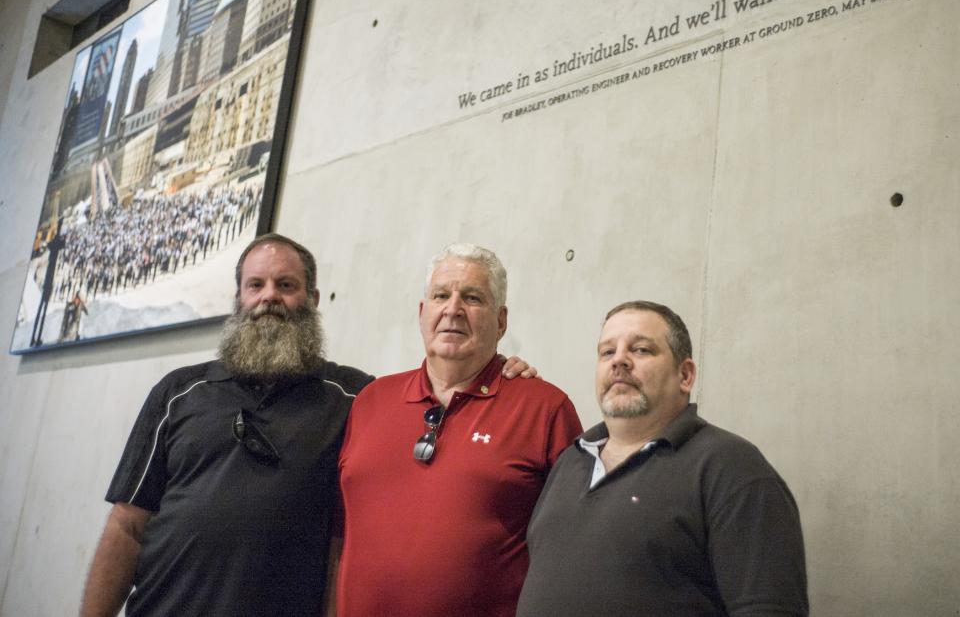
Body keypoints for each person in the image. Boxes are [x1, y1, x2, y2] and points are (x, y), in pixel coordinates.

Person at [79, 233, 535, 617]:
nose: (269, 297)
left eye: (286, 285)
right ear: (238, 299)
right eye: (255, 285)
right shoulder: (178, 393)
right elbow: (127, 526)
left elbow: (442, 405)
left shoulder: (359, 400)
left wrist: (501, 374)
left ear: (313, 300)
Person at [516, 300, 809, 617]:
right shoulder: (570, 462)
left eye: (641, 350)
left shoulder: (731, 467)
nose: (619, 361)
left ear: (685, 375)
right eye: (607, 352)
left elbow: (769, 608)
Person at [335, 244, 583, 617]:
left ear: (501, 321)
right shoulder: (370, 401)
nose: (453, 309)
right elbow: (337, 534)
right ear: (422, 313)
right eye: (441, 296)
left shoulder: (544, 409)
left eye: (472, 297)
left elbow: (572, 550)